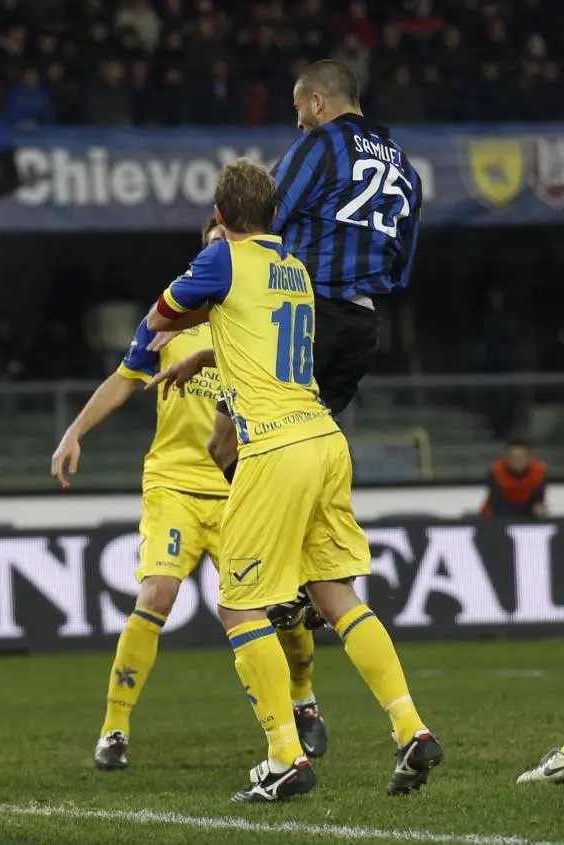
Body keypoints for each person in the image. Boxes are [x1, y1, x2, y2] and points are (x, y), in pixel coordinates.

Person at [147, 158, 441, 802]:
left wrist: (178, 328)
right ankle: (411, 728)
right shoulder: (295, 267)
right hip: (325, 439)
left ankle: (285, 755)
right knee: (335, 594)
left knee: (238, 603)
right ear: (276, 214)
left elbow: (159, 318)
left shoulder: (221, 259)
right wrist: (210, 346)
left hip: (274, 447)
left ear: (219, 216)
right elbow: (258, 336)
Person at [158, 59, 424, 651]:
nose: (298, 121)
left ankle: (281, 573)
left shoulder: (325, 144)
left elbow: (265, 213)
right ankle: (315, 577)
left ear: (321, 104)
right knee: (307, 443)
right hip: (362, 323)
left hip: (303, 316)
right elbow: (402, 262)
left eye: (300, 110)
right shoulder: (406, 165)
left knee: (228, 443)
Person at [51, 219, 325, 771]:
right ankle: (115, 729)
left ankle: (304, 700)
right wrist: (75, 431)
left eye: (229, 240)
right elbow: (125, 379)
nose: (222, 249)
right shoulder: (174, 322)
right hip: (174, 481)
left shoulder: (255, 322)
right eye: (214, 242)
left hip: (241, 484)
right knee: (156, 595)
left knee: (281, 609)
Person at [480, 440, 547, 518]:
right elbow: (496, 502)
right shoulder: (496, 472)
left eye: (521, 457)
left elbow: (538, 500)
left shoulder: (539, 472)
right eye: (513, 457)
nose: (518, 460)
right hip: (498, 513)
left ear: (528, 457)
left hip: (528, 513)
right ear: (507, 458)